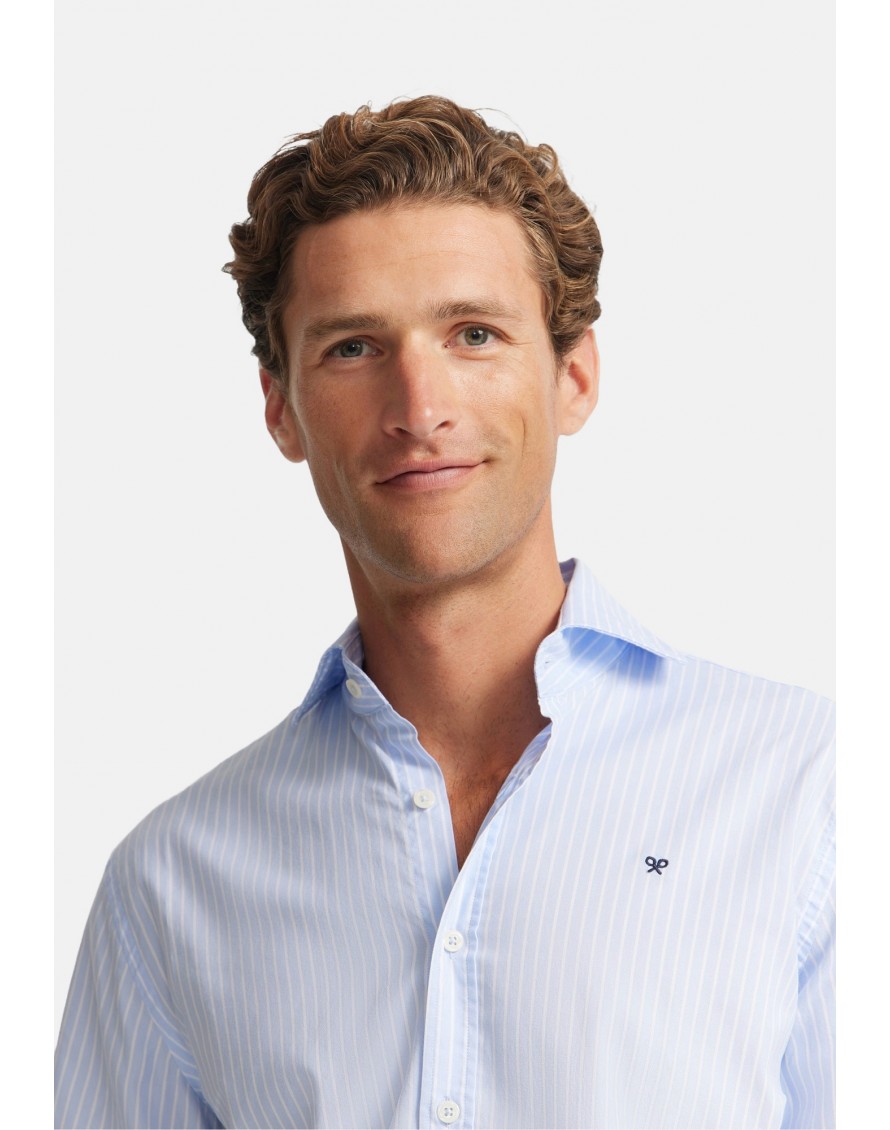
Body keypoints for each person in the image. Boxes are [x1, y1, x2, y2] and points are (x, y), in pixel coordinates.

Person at [55, 96, 835, 1130]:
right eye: (351, 347)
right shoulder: (170, 883)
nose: (419, 407)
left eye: (473, 333)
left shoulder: (809, 792)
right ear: (281, 407)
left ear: (573, 376)